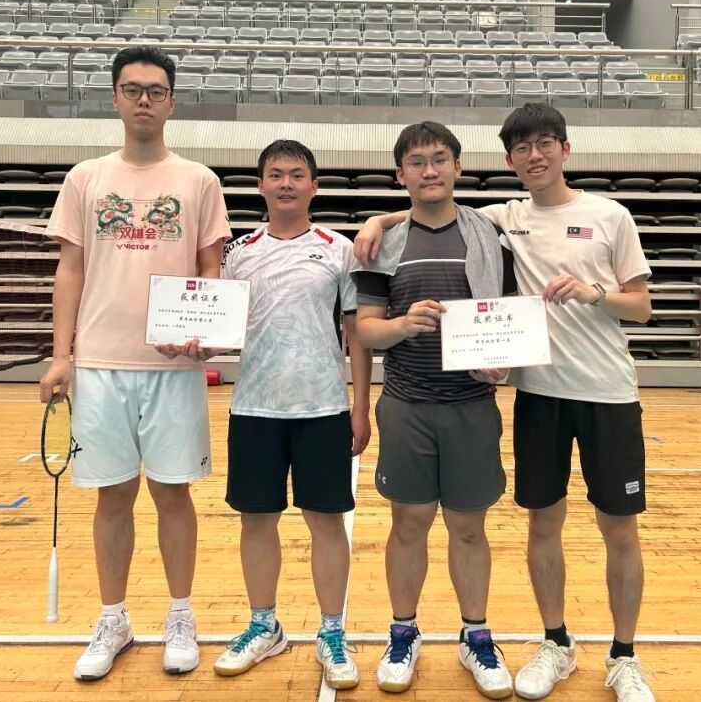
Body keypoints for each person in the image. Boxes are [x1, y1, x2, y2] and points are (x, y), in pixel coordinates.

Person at [354, 103, 655, 702]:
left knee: (618, 529)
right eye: (522, 148)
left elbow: (642, 307)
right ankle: (554, 643)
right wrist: (376, 221)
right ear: (509, 160)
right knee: (540, 523)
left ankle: (624, 655)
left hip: (606, 394)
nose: (534, 156)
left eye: (545, 144)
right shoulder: (502, 220)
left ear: (564, 150)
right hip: (535, 395)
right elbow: (419, 210)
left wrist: (595, 293)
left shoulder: (606, 215)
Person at [41, 45, 231, 682]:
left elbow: (210, 269)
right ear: (115, 99)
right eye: (132, 89)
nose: (144, 99)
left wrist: (205, 333)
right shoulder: (85, 178)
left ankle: (181, 615)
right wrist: (61, 356)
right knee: (112, 496)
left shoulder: (199, 181)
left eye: (155, 90)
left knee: (173, 494)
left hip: (173, 368)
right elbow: (70, 269)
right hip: (100, 364)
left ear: (171, 102)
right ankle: (113, 618)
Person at [353, 122, 517, 700]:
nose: (430, 170)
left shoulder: (490, 236)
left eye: (440, 159)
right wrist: (402, 324)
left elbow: (508, 318)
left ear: (457, 167)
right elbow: (365, 330)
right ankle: (403, 633)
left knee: (469, 528)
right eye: (418, 162)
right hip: (407, 406)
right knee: (408, 524)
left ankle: (476, 636)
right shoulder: (382, 244)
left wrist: (502, 361)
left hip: (472, 406)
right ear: (401, 173)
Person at [212, 140, 372, 691]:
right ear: (260, 185)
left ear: (314, 186)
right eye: (276, 174)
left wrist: (360, 405)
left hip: (322, 406)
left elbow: (356, 333)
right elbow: (217, 321)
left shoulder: (339, 249)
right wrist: (189, 340)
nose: (286, 183)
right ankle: (265, 625)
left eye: (296, 175)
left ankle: (332, 631)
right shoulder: (238, 252)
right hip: (254, 406)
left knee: (326, 522)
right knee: (256, 520)